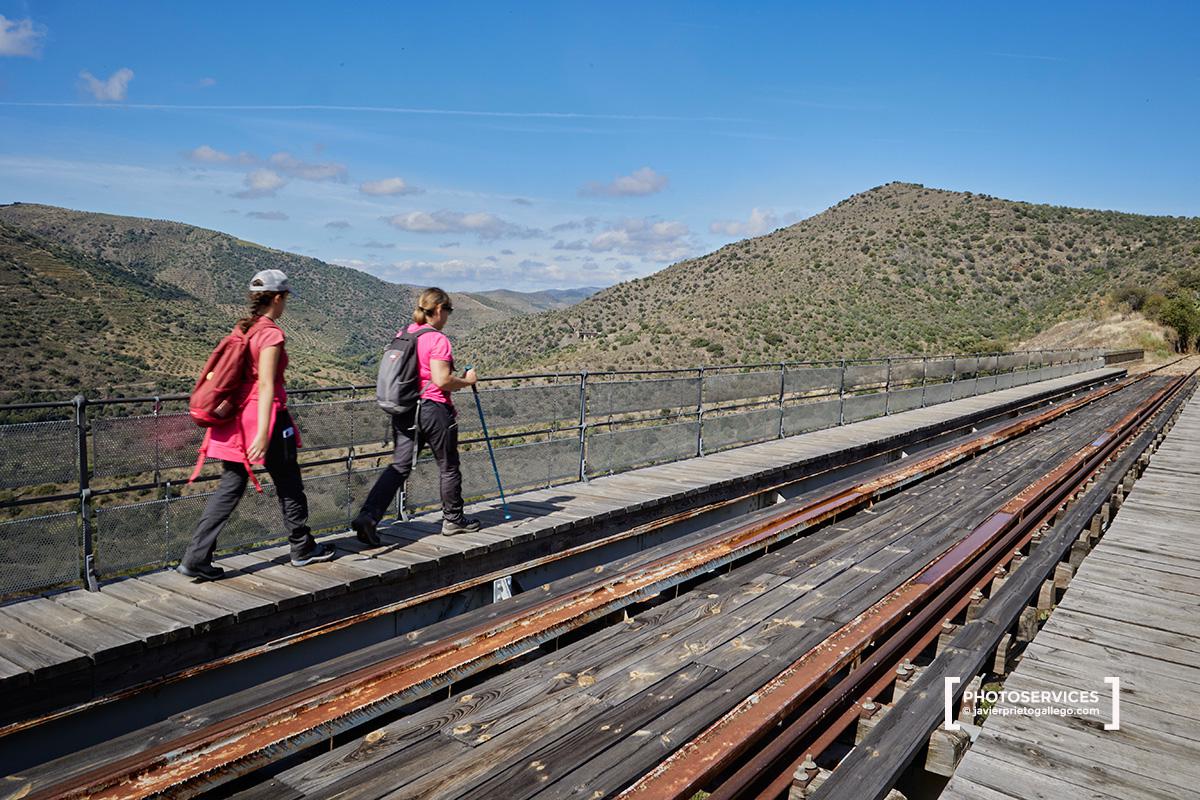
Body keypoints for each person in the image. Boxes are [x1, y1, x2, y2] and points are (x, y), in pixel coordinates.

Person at [178, 269, 335, 580]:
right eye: (286, 298)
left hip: (236, 421)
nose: (286, 303)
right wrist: (263, 433)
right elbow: (265, 385)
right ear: (278, 298)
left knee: (230, 487)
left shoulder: (244, 329)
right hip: (266, 419)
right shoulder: (271, 334)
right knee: (289, 481)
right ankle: (301, 547)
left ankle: (195, 558)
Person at [352, 287, 483, 543]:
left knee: (399, 466)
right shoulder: (437, 339)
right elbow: (441, 379)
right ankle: (454, 519)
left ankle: (368, 516)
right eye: (448, 310)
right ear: (438, 310)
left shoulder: (405, 333)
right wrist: (467, 381)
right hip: (433, 409)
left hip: (405, 408)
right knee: (448, 466)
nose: (448, 316)